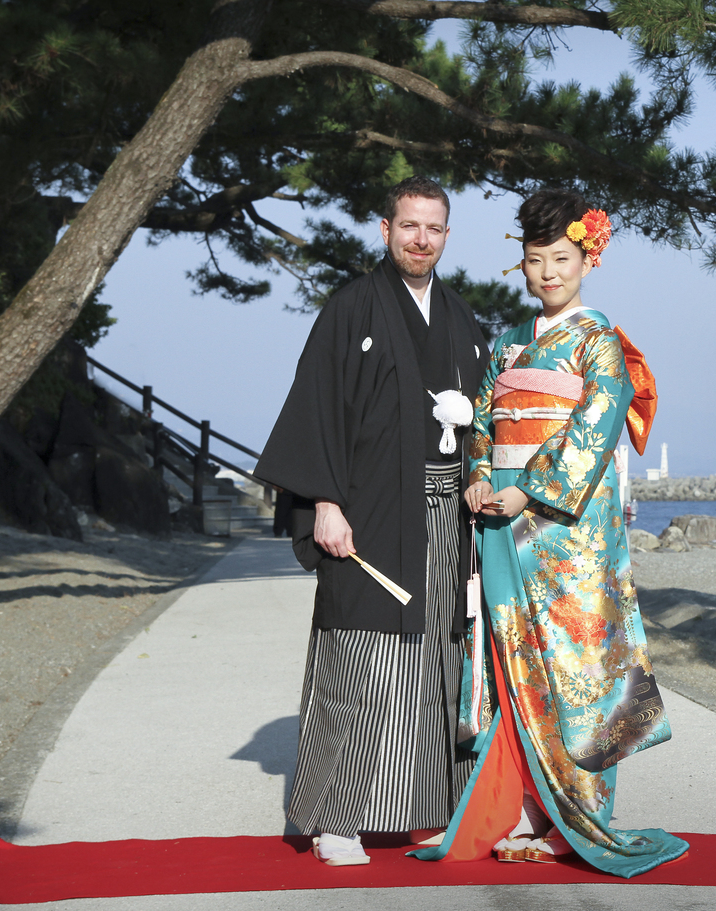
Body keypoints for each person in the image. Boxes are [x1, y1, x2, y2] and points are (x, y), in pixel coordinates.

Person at [412, 188, 685, 877]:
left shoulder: (599, 342)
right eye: (535, 260)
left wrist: (524, 490)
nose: (548, 273)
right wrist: (479, 476)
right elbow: (482, 420)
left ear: (587, 259)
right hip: (502, 522)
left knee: (579, 669)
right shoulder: (509, 341)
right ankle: (523, 809)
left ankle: (580, 817)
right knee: (510, 663)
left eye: (561, 258)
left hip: (569, 533)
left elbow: (593, 433)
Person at [254, 176, 490, 866]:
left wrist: (481, 470)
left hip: (447, 515)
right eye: (409, 225)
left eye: (434, 228)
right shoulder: (350, 308)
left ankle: (428, 808)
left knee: (437, 658)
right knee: (360, 656)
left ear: (447, 236)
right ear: (385, 229)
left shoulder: (462, 318)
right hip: (368, 510)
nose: (421, 239)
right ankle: (338, 818)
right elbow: (317, 408)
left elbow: (488, 423)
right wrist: (324, 502)